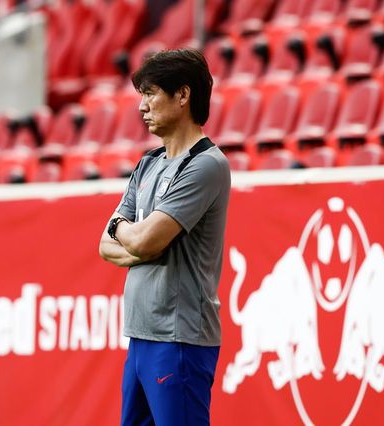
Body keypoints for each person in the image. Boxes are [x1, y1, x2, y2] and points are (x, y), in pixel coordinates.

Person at [98, 49, 231, 425]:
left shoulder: (206, 165)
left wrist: (126, 232)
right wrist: (130, 236)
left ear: (183, 95)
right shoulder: (148, 164)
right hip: (140, 336)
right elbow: (105, 245)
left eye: (150, 93)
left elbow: (144, 242)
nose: (142, 106)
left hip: (179, 339)